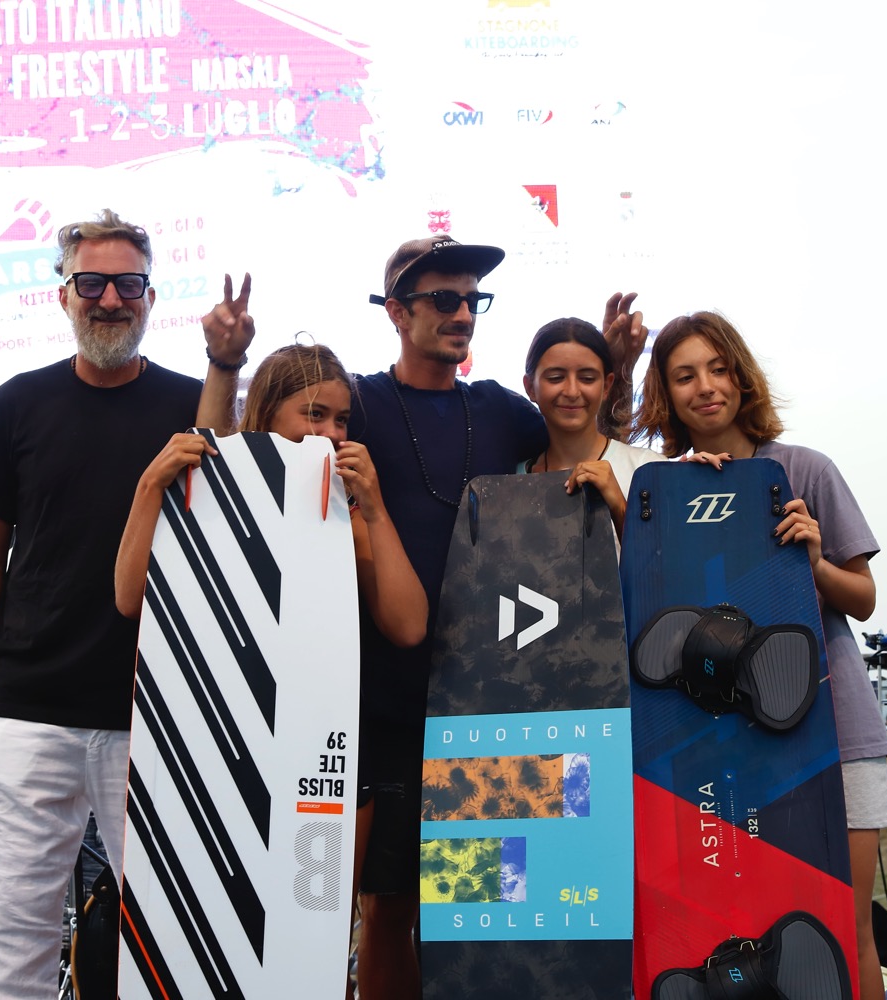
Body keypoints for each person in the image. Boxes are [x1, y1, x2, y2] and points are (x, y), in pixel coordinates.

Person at [198, 237, 647, 998]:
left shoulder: (502, 410)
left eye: (472, 299)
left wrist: (621, 371)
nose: (462, 313)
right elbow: (227, 461)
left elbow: (586, 436)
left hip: (488, 709)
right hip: (383, 702)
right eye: (443, 299)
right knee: (385, 910)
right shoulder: (356, 404)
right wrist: (224, 365)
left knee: (476, 907)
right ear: (397, 312)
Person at [113, 341, 428, 1000]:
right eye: (314, 414)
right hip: (216, 753)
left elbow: (408, 624)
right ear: (266, 411)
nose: (330, 433)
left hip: (326, 758)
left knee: (318, 941)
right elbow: (129, 598)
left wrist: (373, 508)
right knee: (210, 938)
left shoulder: (343, 505)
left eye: (341, 420)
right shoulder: (206, 480)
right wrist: (147, 485)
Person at [0, 209, 205, 1000]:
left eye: (127, 284)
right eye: (91, 283)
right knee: (15, 934)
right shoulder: (16, 404)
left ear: (151, 296)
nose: (110, 299)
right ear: (63, 295)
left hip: (157, 714)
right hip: (29, 710)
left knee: (173, 936)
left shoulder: (195, 406)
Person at [634, 310, 887, 1000]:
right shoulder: (660, 488)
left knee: (849, 932)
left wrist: (814, 559)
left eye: (718, 369)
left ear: (742, 377)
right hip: (726, 743)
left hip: (837, 728)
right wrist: (688, 501)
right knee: (748, 936)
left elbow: (863, 599)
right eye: (684, 376)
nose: (705, 387)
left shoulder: (805, 468)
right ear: (665, 394)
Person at [519, 317, 663, 534]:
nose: (572, 391)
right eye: (556, 378)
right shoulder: (512, 479)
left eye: (587, 378)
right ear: (530, 387)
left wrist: (620, 507)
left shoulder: (646, 468)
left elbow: (668, 554)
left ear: (606, 386)